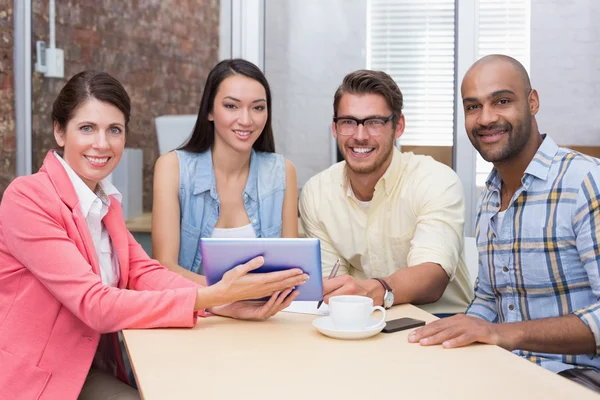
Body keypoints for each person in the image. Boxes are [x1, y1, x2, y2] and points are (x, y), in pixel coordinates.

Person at [0, 71, 308, 400]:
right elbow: (96, 305)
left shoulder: (105, 203)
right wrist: (213, 297)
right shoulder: (28, 197)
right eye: (87, 128)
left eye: (114, 130)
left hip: (88, 368)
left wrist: (223, 303)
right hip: (37, 380)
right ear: (59, 131)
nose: (102, 143)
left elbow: (145, 273)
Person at [408, 55, 600, 391]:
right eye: (473, 106)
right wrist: (452, 332)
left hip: (578, 377)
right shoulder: (490, 198)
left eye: (502, 101)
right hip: (504, 369)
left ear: (532, 101)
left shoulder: (584, 182)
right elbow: (489, 298)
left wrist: (501, 334)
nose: (486, 118)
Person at [299, 70, 473, 316]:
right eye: (348, 122)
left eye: (374, 122)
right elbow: (335, 291)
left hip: (441, 322)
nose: (360, 136)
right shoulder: (317, 193)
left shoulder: (435, 180)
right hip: (362, 321)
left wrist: (375, 291)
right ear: (335, 127)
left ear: (398, 126)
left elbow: (433, 277)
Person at [152, 59, 298, 286]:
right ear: (209, 111)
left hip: (265, 316)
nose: (246, 120)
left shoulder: (282, 172)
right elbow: (164, 268)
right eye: (232, 106)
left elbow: (290, 272)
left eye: (258, 107)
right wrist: (230, 295)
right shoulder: (172, 168)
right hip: (197, 316)